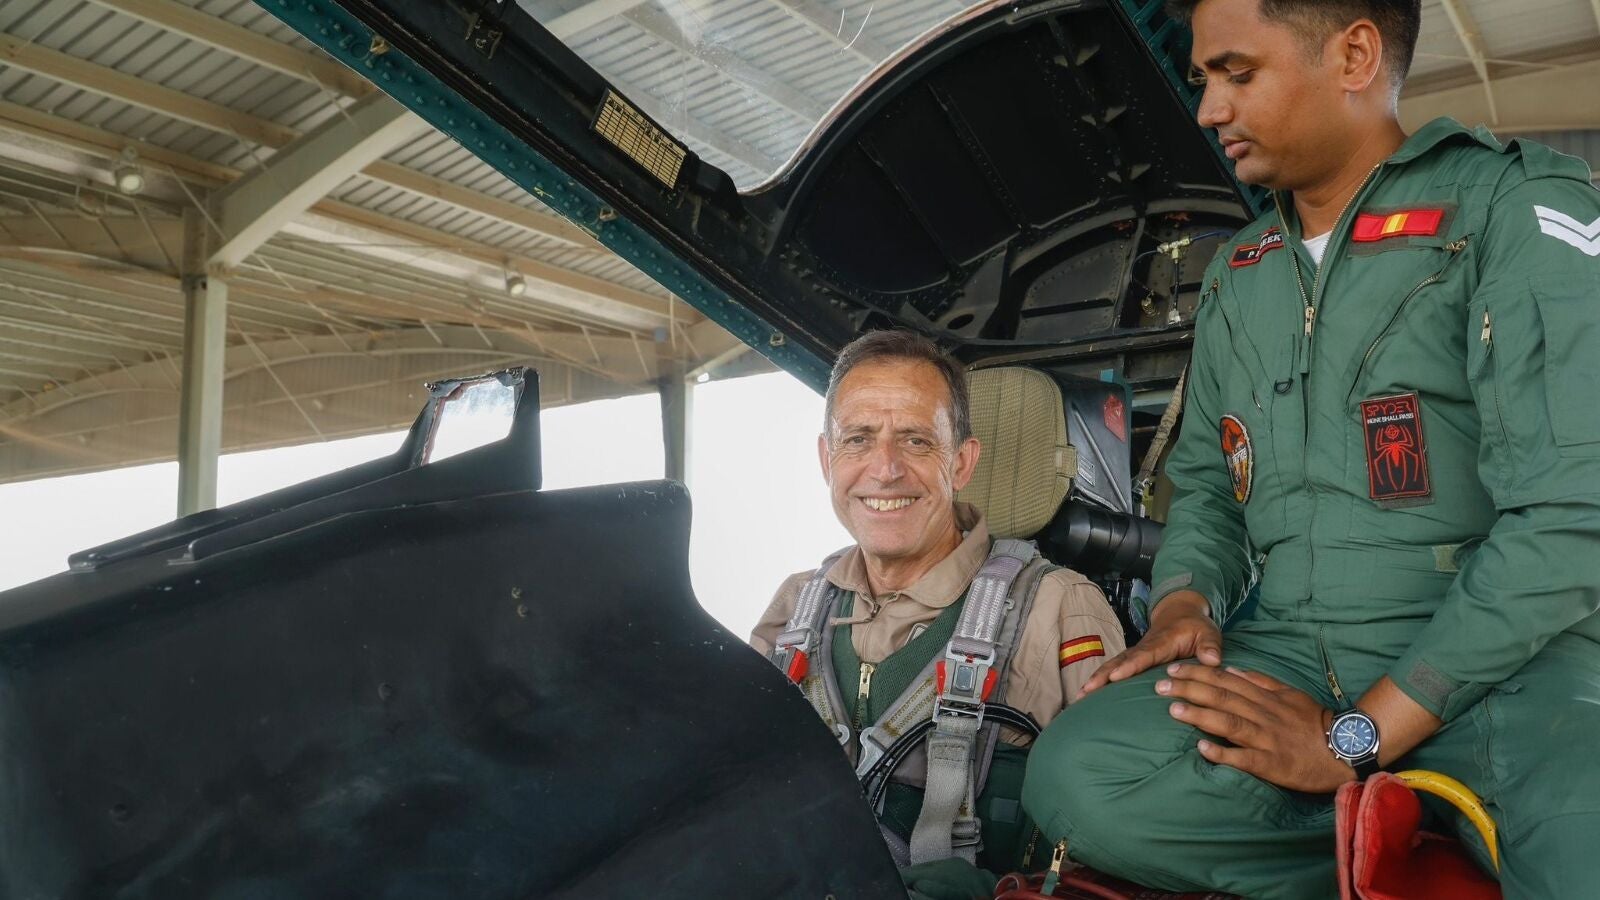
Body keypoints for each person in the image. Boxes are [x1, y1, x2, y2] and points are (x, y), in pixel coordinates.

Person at [1021, 0, 1600, 896]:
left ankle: (1393, 817)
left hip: (1511, 670)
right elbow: (1207, 488)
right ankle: (1386, 841)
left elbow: (1569, 517)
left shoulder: (1512, 206)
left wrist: (1354, 741)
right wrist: (1185, 603)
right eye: (1203, 80)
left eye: (1237, 73)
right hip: (1291, 653)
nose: (1209, 109)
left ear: (1355, 55)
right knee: (1077, 780)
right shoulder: (1240, 274)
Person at [750, 329, 1125, 894]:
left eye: (916, 441)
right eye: (858, 439)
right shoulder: (794, 608)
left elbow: (1114, 846)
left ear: (962, 462)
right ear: (827, 460)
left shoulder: (1057, 607)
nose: (885, 469)